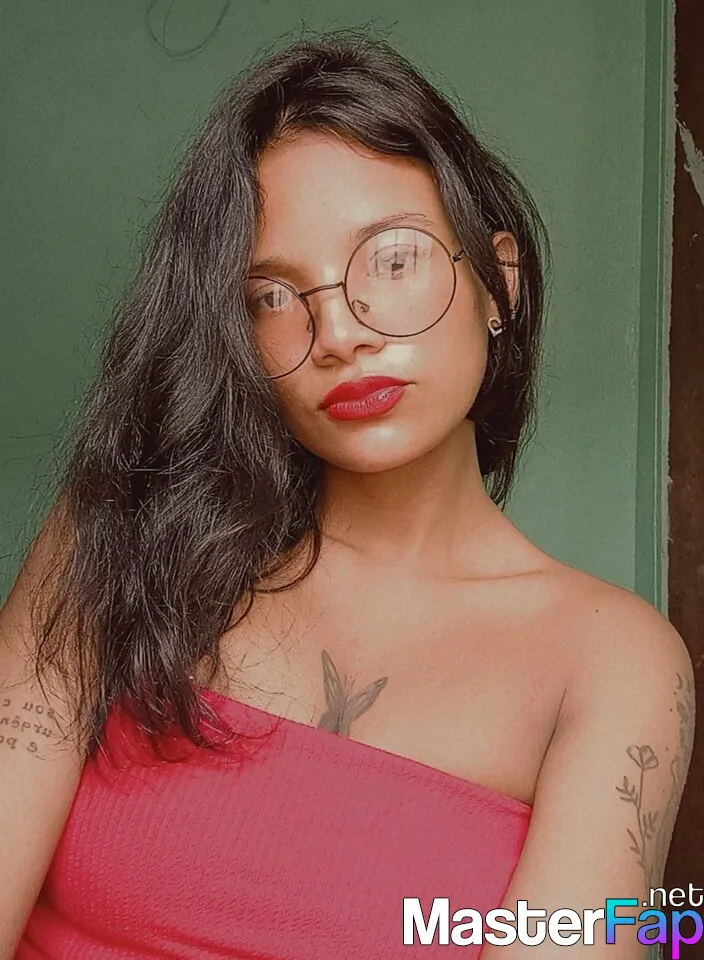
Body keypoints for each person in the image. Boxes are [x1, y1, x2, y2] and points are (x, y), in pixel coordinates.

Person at [0, 29, 694, 960]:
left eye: (392, 259)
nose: (338, 333)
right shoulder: (122, 532)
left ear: (500, 285)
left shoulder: (609, 661)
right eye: (273, 296)